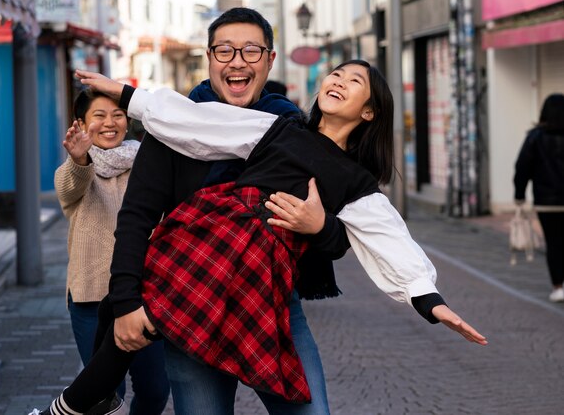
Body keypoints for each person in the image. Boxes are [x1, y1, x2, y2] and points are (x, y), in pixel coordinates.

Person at [30, 60, 487, 415]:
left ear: (369, 112)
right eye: (337, 73)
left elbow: (389, 237)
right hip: (206, 233)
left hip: (252, 262)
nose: (339, 80)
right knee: (123, 308)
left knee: (150, 319)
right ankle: (82, 403)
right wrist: (127, 95)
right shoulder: (280, 128)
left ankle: (69, 406)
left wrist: (429, 300)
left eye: (354, 82)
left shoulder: (355, 180)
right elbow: (198, 122)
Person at [53, 89, 169, 414]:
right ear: (81, 123)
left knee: (156, 389)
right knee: (104, 395)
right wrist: (79, 159)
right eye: (99, 116)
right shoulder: (75, 170)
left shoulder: (145, 164)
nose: (110, 123)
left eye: (117, 114)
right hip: (91, 300)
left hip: (141, 300)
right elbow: (69, 186)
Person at [514, 93, 564, 303]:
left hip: (547, 202)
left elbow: (522, 167)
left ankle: (558, 287)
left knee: (553, 243)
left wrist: (519, 195)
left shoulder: (535, 137)